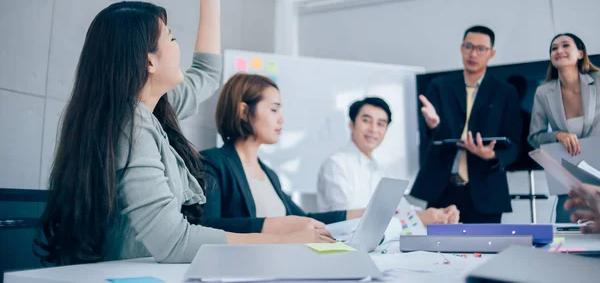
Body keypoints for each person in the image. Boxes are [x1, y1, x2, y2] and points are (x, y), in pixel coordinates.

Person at [34, 0, 331, 266]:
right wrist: (280, 240)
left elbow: (205, 73)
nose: (179, 47)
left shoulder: (153, 108)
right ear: (149, 61)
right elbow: (175, 242)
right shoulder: (132, 125)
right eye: (172, 38)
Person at [201, 73, 364, 234]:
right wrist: (272, 225)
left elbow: (304, 219)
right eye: (274, 110)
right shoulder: (212, 163)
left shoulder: (270, 175)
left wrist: (363, 213)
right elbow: (207, 226)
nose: (281, 119)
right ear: (243, 112)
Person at [411, 25, 521, 223]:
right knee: (434, 252)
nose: (473, 54)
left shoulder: (505, 92)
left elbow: (514, 145)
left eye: (481, 49)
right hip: (441, 190)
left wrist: (493, 155)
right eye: (468, 47)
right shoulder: (439, 86)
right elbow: (430, 136)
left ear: (491, 53)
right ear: (461, 48)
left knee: (485, 253)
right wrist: (433, 125)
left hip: (486, 192)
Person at [316, 97, 459, 226]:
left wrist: (438, 214)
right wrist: (419, 217)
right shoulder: (336, 165)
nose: (373, 129)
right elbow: (344, 219)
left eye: (380, 124)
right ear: (352, 125)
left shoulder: (377, 167)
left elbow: (396, 206)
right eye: (366, 120)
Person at [528, 33, 600, 222]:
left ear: (580, 53)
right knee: (568, 241)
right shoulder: (543, 93)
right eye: (554, 48)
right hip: (570, 182)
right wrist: (558, 135)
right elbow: (535, 137)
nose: (559, 51)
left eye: (565, 45)